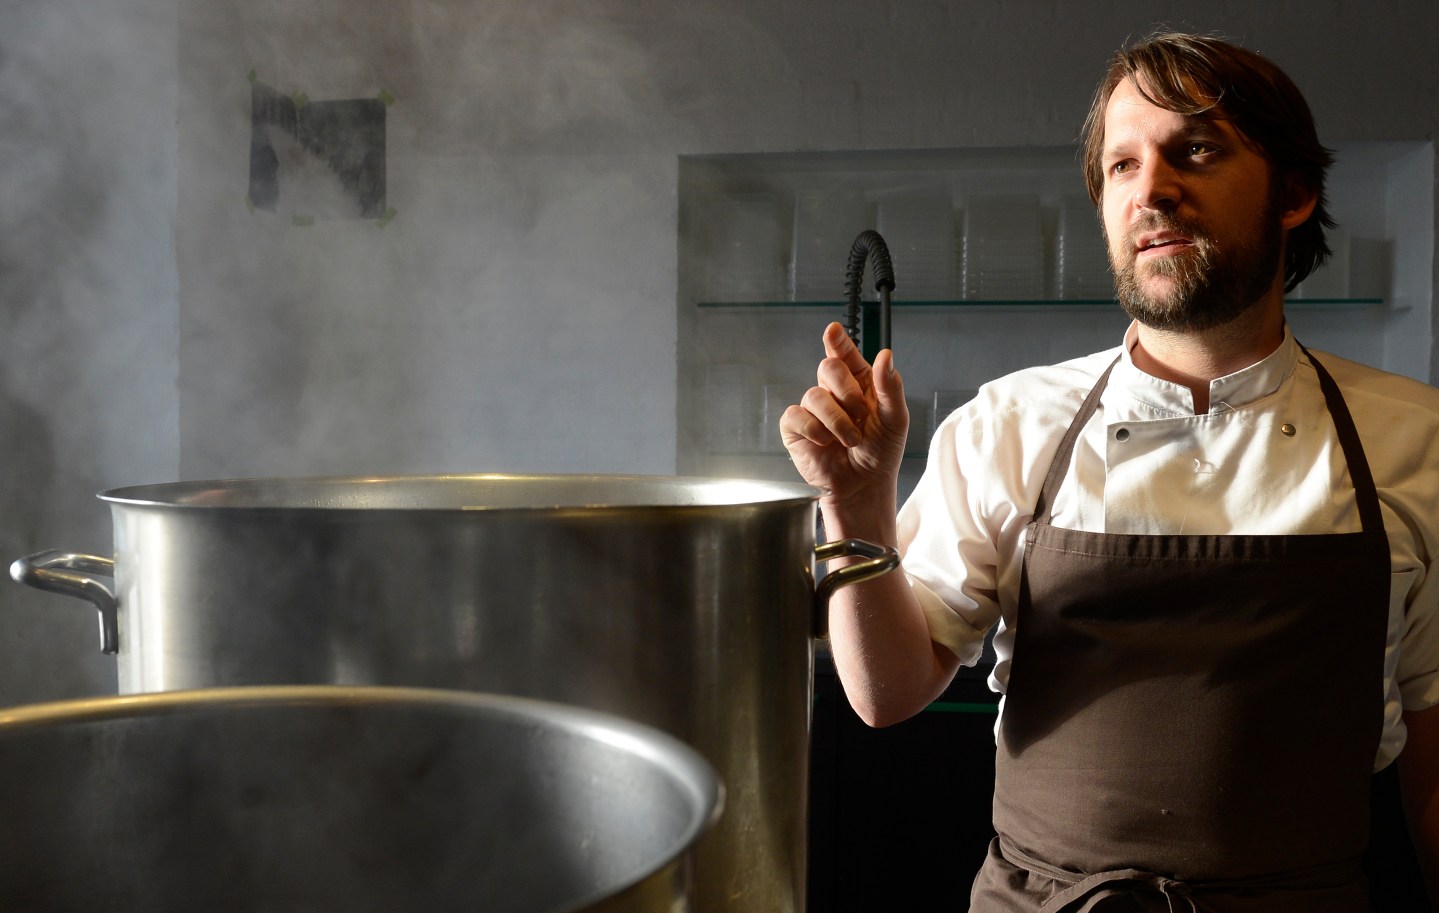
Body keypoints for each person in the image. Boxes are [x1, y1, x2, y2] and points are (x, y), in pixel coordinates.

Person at [780, 31, 1439, 912]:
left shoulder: (1414, 438)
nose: (1151, 190)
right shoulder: (1012, 422)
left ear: (1294, 192)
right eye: (1120, 166)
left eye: (1195, 151)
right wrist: (855, 501)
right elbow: (885, 692)